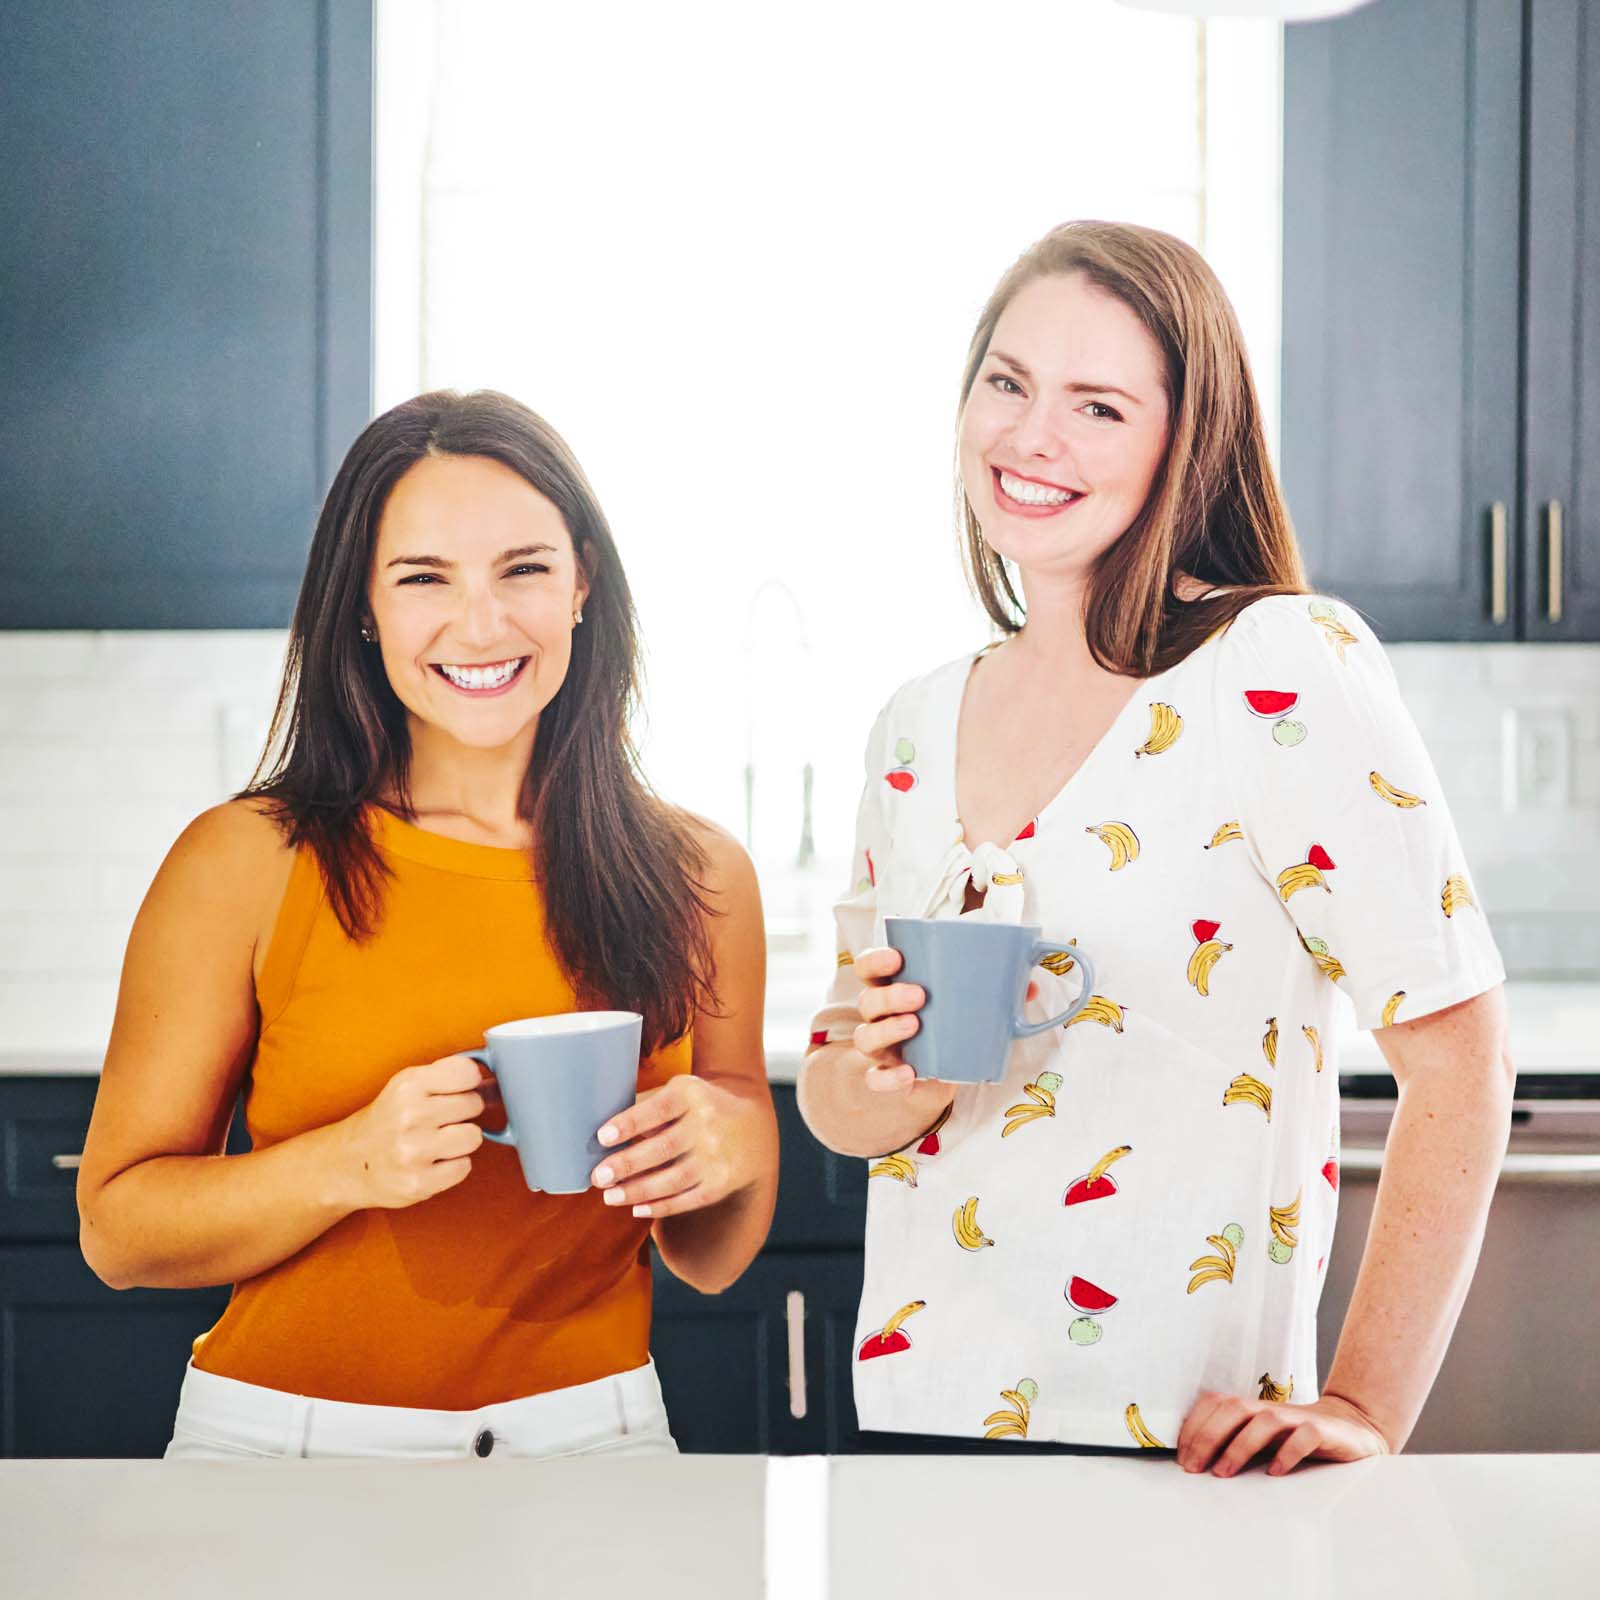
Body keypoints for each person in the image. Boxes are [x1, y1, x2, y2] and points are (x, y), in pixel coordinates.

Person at [798, 222, 1512, 1475]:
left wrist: (1360, 1406)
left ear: (1186, 444)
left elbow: (1460, 1060)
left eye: (1099, 406)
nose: (1033, 436)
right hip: (921, 1431)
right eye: (1007, 383)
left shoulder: (1277, 670)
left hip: (1184, 1450)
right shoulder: (913, 723)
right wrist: (882, 1074)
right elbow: (843, 1096)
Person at [77, 390, 778, 1460]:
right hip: (285, 1454)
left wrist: (733, 1140)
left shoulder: (698, 873)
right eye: (422, 578)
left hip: (596, 1446)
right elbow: (119, 1232)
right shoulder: (247, 860)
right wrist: (348, 1163)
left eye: (523, 569)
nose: (482, 623)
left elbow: (712, 1256)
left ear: (583, 579)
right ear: (363, 603)